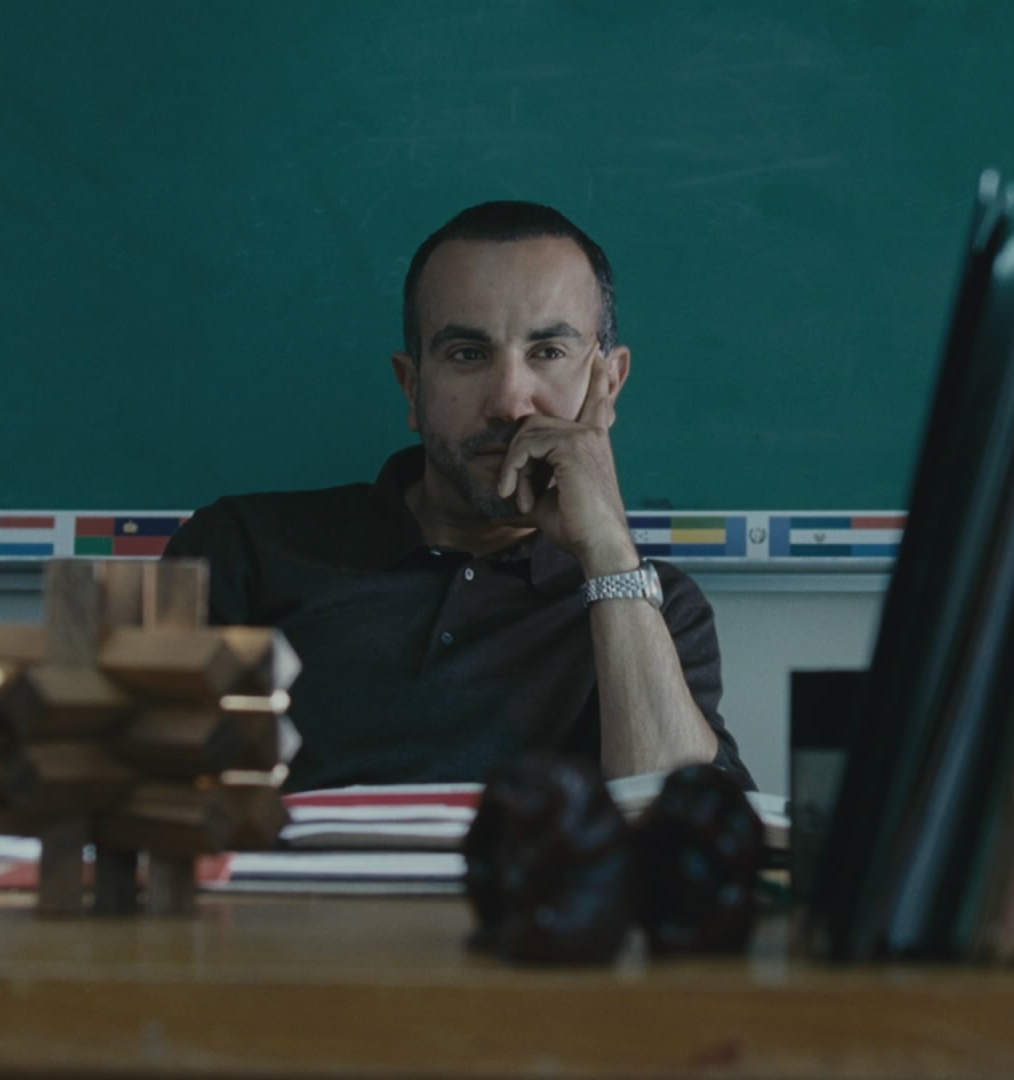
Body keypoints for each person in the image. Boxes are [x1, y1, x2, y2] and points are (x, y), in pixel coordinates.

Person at [165, 201, 751, 792]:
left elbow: (688, 830)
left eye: (548, 352)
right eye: (468, 355)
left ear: (610, 384)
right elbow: (148, 792)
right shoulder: (243, 550)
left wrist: (609, 558)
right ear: (412, 386)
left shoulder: (657, 606)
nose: (510, 403)